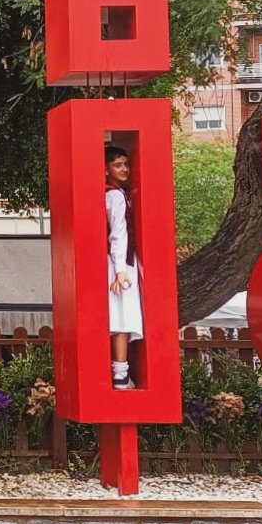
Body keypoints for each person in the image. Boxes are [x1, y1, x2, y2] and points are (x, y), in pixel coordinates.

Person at [105, 145, 143, 390]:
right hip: (119, 262)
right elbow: (118, 232)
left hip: (114, 261)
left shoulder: (112, 193)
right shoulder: (116, 195)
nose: (124, 169)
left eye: (126, 164)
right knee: (123, 316)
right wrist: (120, 269)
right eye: (118, 165)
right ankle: (120, 372)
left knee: (119, 316)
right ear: (105, 169)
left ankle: (120, 372)